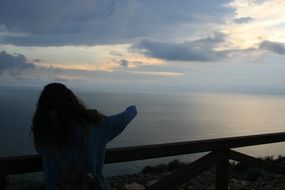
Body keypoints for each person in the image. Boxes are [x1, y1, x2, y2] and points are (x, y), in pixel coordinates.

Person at [31, 83, 137, 190]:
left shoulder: (41, 133)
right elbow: (122, 119)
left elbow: (40, 150)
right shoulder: (98, 125)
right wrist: (132, 109)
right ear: (72, 102)